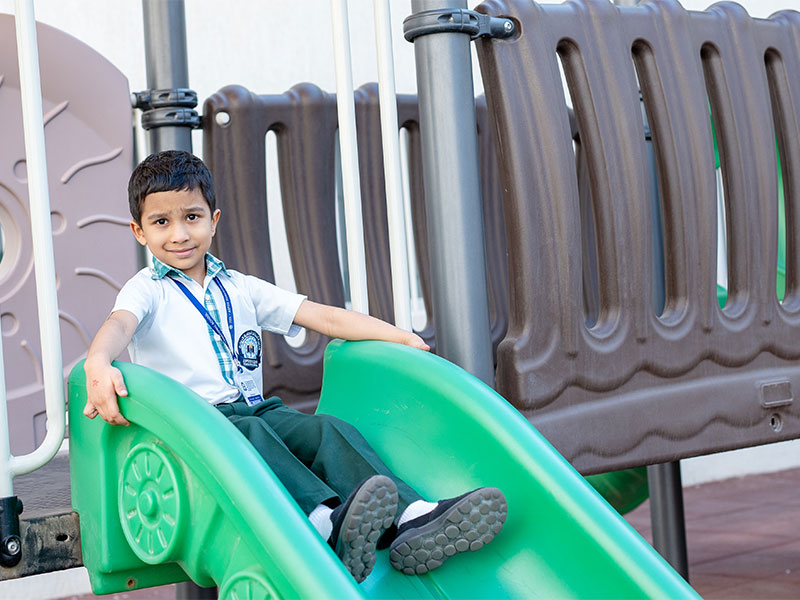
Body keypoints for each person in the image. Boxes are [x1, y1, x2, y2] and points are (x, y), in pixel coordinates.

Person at [82, 150, 506, 583]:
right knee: (252, 435)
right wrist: (98, 361)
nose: (179, 234)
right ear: (139, 231)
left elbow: (322, 316)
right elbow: (119, 325)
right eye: (161, 223)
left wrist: (398, 336)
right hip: (199, 428)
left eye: (192, 217)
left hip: (256, 407)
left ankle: (411, 517)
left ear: (214, 220)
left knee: (324, 429)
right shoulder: (147, 291)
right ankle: (323, 526)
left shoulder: (239, 287)